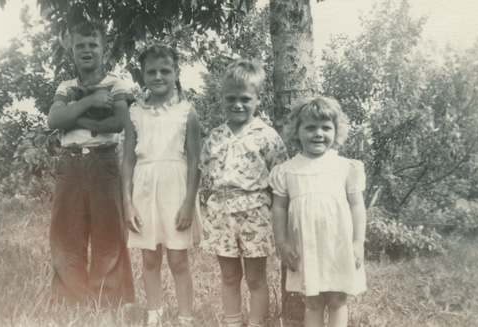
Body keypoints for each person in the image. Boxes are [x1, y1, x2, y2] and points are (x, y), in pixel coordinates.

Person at [46, 21, 135, 307]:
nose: (86, 50)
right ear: (71, 51)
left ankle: (106, 303)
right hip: (69, 166)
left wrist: (74, 116)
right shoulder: (66, 86)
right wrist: (91, 102)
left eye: (92, 45)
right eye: (80, 46)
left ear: (103, 49)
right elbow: (54, 120)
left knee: (108, 235)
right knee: (66, 234)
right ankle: (70, 301)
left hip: (103, 164)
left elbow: (118, 123)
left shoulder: (116, 83)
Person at [200, 59, 288, 327]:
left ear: (258, 99)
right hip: (221, 216)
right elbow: (206, 178)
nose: (237, 104)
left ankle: (258, 322)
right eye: (231, 98)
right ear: (222, 99)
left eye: (245, 99)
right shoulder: (214, 137)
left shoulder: (267, 136)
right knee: (229, 276)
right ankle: (232, 322)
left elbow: (281, 180)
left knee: (255, 278)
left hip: (255, 215)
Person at [122, 44, 202, 327]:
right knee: (150, 257)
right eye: (151, 71)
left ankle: (184, 318)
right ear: (142, 75)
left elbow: (195, 162)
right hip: (144, 190)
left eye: (165, 71)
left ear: (176, 72)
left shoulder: (187, 112)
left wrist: (189, 203)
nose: (158, 76)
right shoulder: (134, 113)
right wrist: (128, 202)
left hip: (176, 191)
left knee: (178, 259)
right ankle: (153, 315)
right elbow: (128, 161)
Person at [269, 97, 367, 327]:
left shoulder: (346, 167)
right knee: (312, 300)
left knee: (337, 299)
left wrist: (358, 241)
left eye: (326, 127)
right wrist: (281, 243)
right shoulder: (287, 171)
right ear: (297, 130)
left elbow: (357, 205)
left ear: (336, 131)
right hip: (306, 247)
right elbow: (279, 207)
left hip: (338, 245)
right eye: (310, 127)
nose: (318, 133)